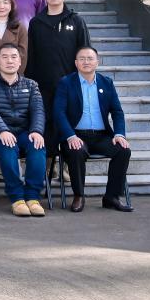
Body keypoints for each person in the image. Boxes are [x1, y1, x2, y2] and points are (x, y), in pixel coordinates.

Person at [55, 46, 133, 213]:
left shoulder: (106, 83)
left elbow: (117, 112)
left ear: (97, 62)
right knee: (76, 150)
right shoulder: (66, 83)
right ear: (76, 63)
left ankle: (111, 197)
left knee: (123, 150)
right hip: (76, 135)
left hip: (101, 136)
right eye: (82, 59)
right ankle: (79, 195)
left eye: (90, 58)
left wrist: (119, 134)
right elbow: (59, 112)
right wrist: (70, 136)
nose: (86, 62)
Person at [0, 43, 47, 217]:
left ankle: (32, 197)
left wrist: (37, 131)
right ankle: (17, 198)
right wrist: (2, 130)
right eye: (5, 57)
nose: (10, 61)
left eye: (14, 57)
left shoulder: (31, 85)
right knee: (7, 146)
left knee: (37, 145)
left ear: (20, 61)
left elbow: (38, 110)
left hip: (22, 132)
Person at [26, 0, 91, 152]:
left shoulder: (76, 21)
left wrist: (84, 80)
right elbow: (31, 56)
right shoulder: (36, 23)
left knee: (70, 125)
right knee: (46, 126)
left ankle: (69, 163)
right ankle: (48, 163)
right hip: (43, 86)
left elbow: (85, 54)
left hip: (70, 84)